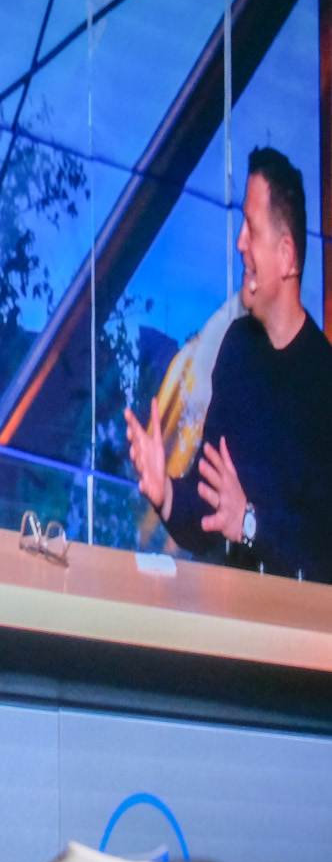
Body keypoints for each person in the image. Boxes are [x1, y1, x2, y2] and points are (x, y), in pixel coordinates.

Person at [126, 147, 332, 582]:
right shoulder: (237, 350)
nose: (239, 242)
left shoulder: (323, 382)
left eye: (251, 229)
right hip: (238, 629)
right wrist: (164, 493)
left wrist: (251, 524)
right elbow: (209, 517)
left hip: (302, 641)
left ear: (287, 256)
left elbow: (321, 552)